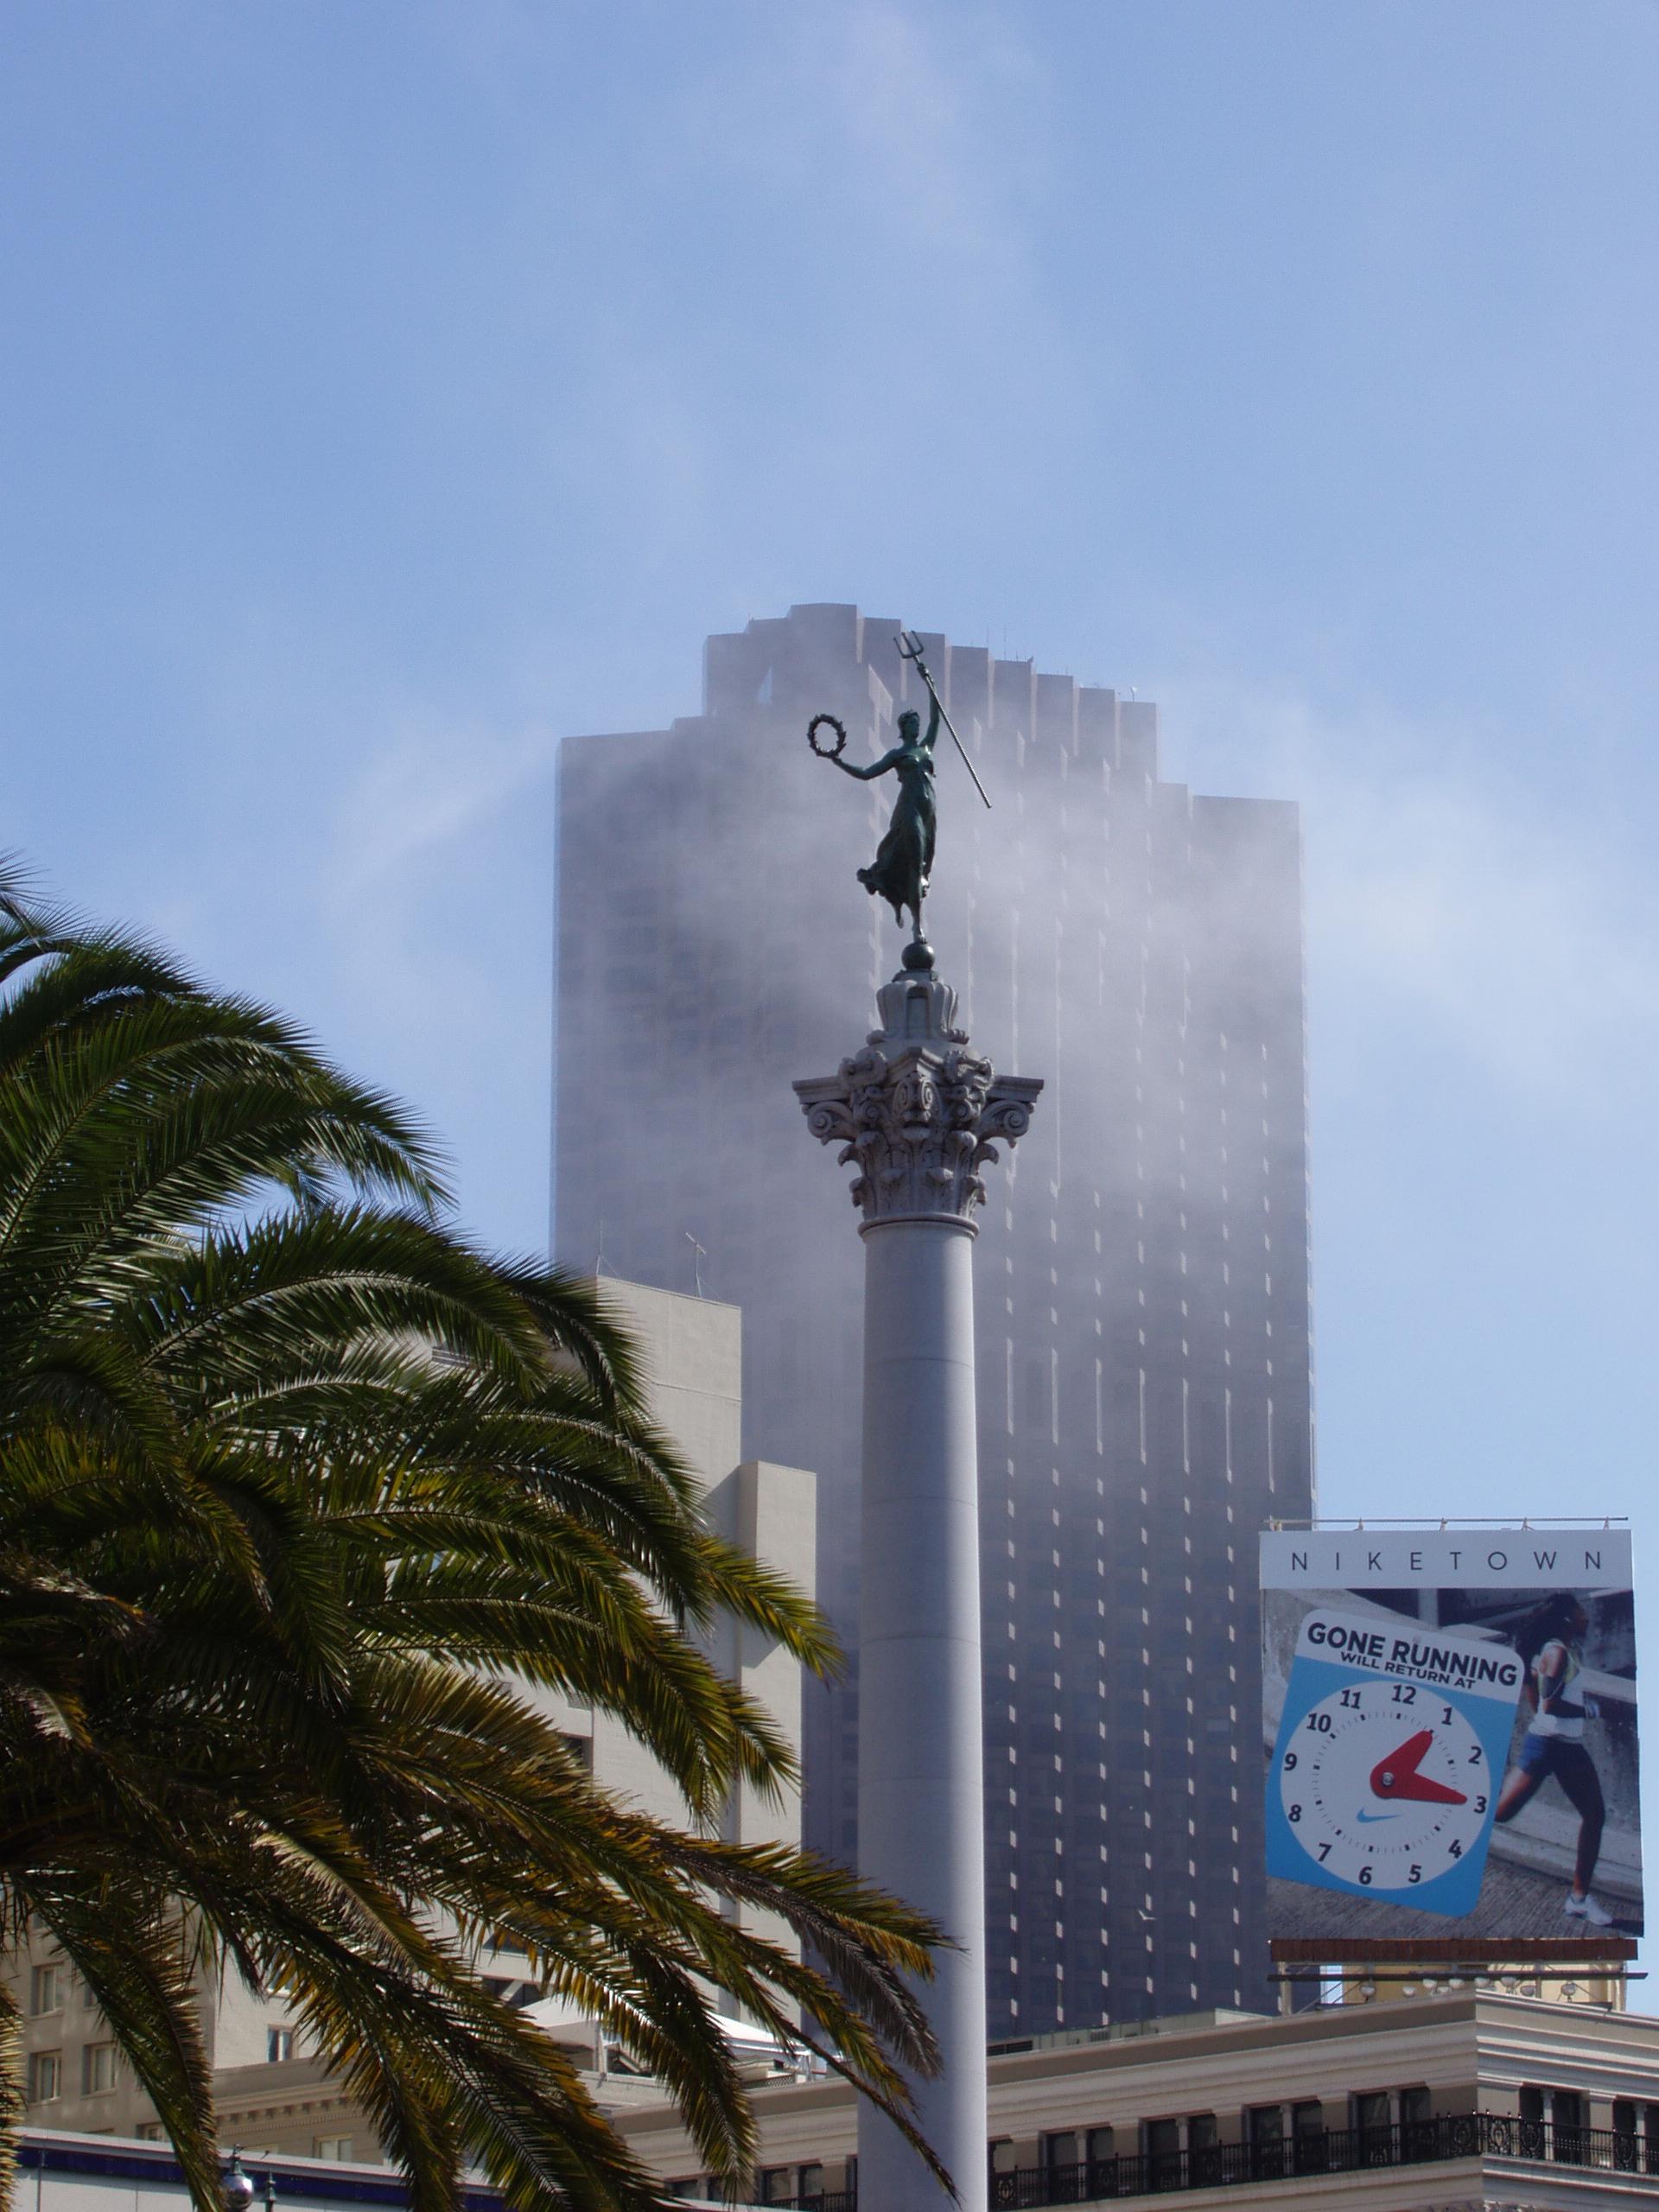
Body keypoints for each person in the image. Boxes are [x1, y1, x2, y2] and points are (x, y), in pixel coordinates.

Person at [1494, 1594, 1611, 1926]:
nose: (1586, 1617)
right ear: (1567, 1619)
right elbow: (1549, 1705)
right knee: (1499, 1814)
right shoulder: (1557, 1652)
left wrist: (1546, 1721)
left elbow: (1533, 1688)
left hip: (1564, 1746)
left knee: (1595, 1815)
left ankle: (1579, 1900)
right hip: (1548, 1745)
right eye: (1580, 1612)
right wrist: (1590, 1710)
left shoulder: (1560, 1650)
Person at [831, 696, 940, 938]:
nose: (917, 726)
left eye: (917, 722)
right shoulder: (897, 755)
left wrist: (930, 686)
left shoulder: (925, 748)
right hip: (909, 809)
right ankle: (917, 924)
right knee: (915, 861)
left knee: (925, 864)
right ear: (904, 728)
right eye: (912, 723)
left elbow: (935, 720)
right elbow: (866, 773)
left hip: (929, 812)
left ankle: (915, 913)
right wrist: (839, 762)